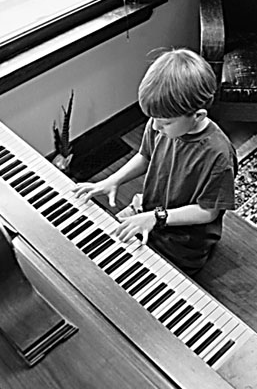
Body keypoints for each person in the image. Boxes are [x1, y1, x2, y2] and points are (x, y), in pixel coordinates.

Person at [72, 48, 237, 276]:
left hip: (182, 241)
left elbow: (207, 212)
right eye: (153, 119)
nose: (156, 127)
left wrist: (157, 217)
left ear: (198, 116)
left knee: (132, 275)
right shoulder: (160, 124)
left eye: (165, 123)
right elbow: (145, 155)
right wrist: (112, 180)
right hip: (150, 210)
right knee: (97, 245)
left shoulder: (218, 155)